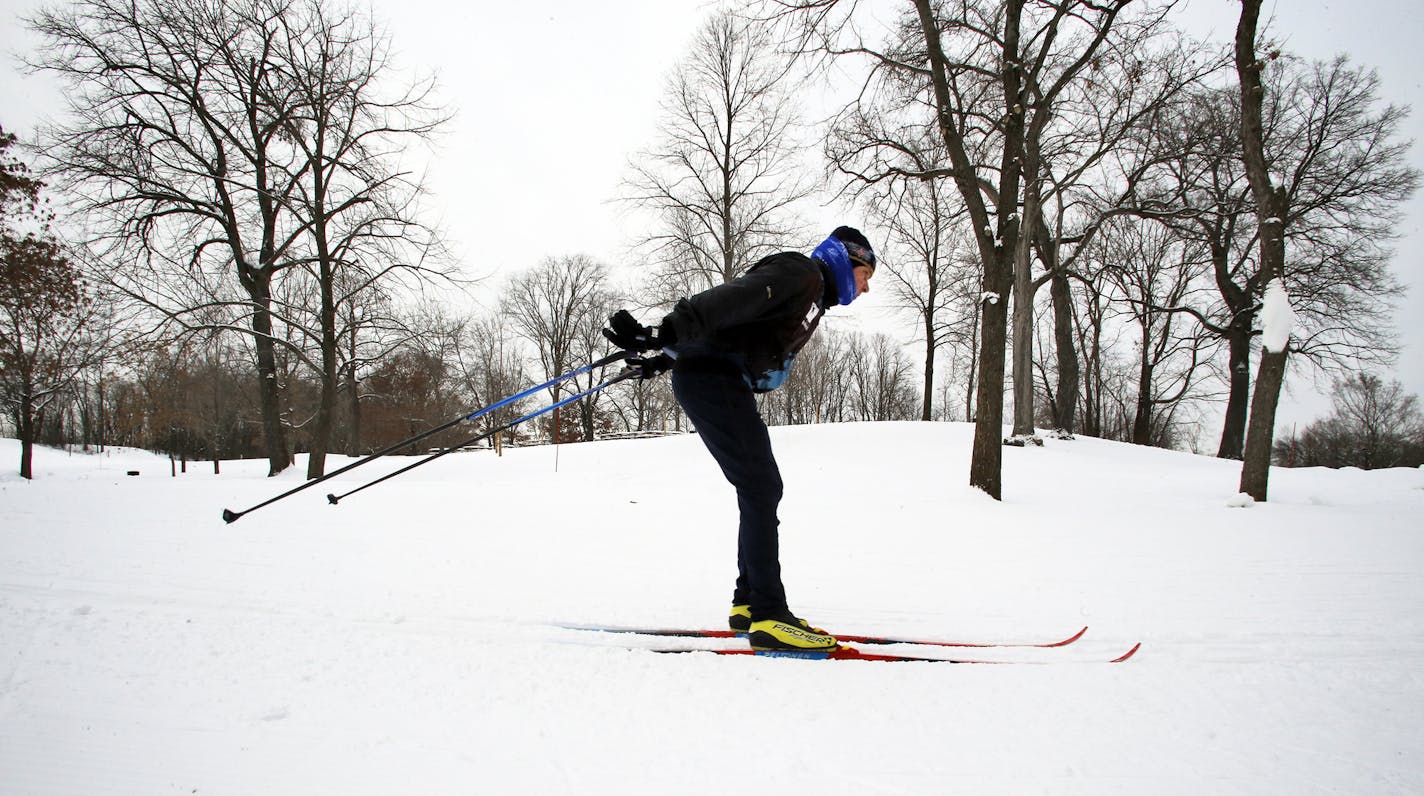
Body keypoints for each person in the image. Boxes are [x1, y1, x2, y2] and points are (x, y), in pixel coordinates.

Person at [602, 226, 876, 651]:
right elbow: (733, 299)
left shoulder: (810, 296)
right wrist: (663, 333)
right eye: (866, 276)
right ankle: (769, 614)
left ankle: (748, 604)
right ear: (848, 260)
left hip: (715, 377)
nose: (866, 288)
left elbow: (734, 330)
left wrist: (661, 360)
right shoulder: (800, 273)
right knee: (761, 485)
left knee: (760, 486)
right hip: (714, 379)